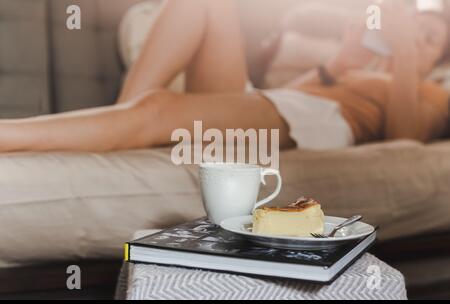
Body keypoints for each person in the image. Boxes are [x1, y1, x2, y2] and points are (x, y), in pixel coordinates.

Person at [0, 0, 448, 153]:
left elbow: (404, 140)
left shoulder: (431, 91)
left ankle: (10, 136)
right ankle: (122, 119)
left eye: (430, 39)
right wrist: (336, 65)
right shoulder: (358, 73)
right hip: (280, 106)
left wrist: (407, 52)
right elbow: (279, 101)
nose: (417, 38)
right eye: (418, 28)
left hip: (314, 126)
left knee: (162, 109)